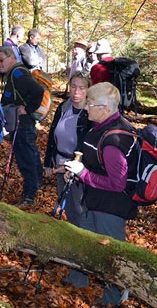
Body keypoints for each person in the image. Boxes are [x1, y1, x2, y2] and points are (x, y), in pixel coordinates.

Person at [63, 82, 139, 305]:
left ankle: (114, 297)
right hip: (94, 200)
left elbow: (117, 183)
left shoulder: (115, 139)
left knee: (111, 255)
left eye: (90, 104)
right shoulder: (100, 128)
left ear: (105, 108)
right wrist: (76, 172)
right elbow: (94, 161)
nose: (86, 108)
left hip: (111, 208)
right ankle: (79, 278)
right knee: (86, 242)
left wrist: (83, 174)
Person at [0, 46, 44, 206]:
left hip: (22, 124)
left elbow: (38, 91)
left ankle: (29, 196)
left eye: (1, 60)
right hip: (20, 123)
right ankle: (37, 185)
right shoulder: (13, 74)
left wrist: (28, 109)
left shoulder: (18, 73)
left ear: (12, 58)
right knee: (30, 154)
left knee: (26, 159)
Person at [44, 71, 92, 226]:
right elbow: (52, 135)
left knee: (80, 208)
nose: (76, 92)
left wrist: (73, 167)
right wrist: (48, 162)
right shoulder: (64, 107)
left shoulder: (90, 114)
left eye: (81, 88)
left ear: (88, 90)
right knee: (68, 206)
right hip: (60, 164)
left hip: (78, 169)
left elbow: (88, 146)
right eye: (73, 86)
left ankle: (85, 239)